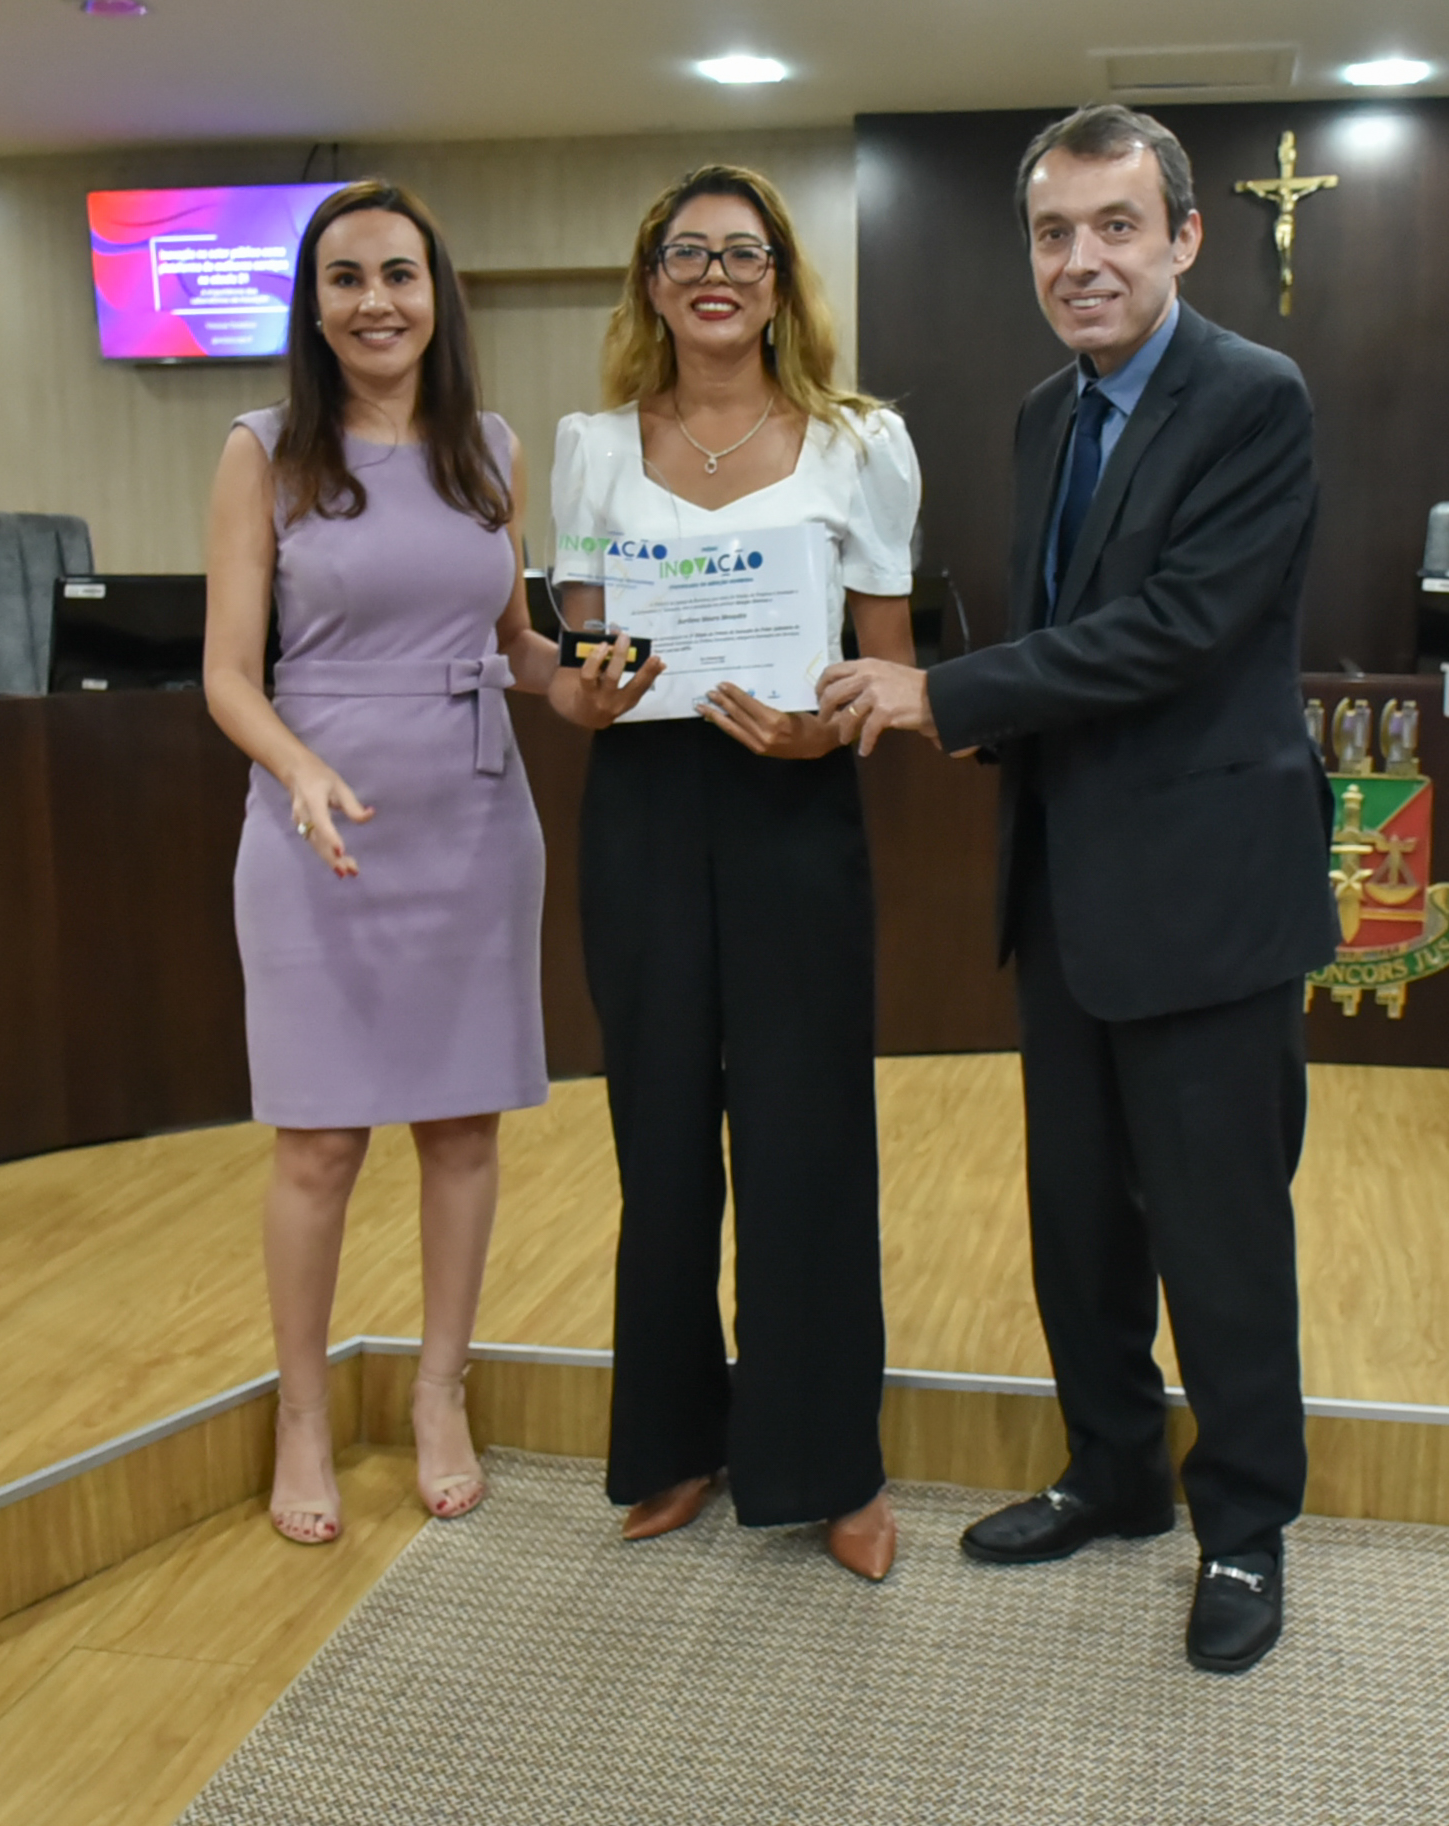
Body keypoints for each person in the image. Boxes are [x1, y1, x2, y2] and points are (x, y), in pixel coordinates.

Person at [819, 105, 1338, 1671]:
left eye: (1116, 226)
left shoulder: (1256, 398)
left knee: (1219, 1231)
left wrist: (947, 696)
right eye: (1054, 232)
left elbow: (1183, 629)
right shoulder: (1048, 411)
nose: (1081, 260)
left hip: (1206, 890)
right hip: (1067, 886)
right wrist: (989, 718)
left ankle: (1242, 1525)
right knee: (1078, 1230)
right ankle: (1115, 1471)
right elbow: (1077, 627)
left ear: (1184, 236)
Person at [547, 164, 919, 1580]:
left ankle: (827, 1459)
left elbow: (887, 662)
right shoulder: (589, 448)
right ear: (652, 279)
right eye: (687, 251)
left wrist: (837, 721)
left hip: (795, 804)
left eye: (744, 252)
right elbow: (586, 653)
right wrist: (586, 686)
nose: (716, 272)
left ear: (780, 280)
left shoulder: (860, 442)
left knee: (804, 1136)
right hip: (640, 806)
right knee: (659, 1137)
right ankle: (675, 1438)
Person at [202, 181, 559, 1545]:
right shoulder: (266, 451)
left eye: (398, 274)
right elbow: (231, 675)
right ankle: (302, 1407)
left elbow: (515, 642)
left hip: (475, 817)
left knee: (462, 1126)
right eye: (344, 278)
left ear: (437, 291)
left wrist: (576, 684)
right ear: (313, 304)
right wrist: (296, 766)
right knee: (320, 1140)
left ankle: (439, 1391)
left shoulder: (490, 448)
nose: (375, 302)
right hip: (318, 829)